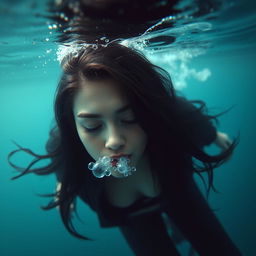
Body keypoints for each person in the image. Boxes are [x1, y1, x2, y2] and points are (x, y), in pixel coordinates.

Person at [8, 42, 241, 255]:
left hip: (178, 194)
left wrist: (213, 134)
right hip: (132, 218)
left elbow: (179, 110)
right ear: (73, 127)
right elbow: (61, 155)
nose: (114, 140)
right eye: (92, 125)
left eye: (129, 118)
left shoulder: (169, 116)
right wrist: (64, 183)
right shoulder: (65, 147)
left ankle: (177, 225)